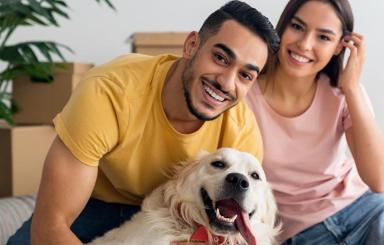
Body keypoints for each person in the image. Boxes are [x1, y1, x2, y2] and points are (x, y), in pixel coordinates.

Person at [6, 1, 279, 245]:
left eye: (245, 75)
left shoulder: (242, 131)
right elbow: (50, 226)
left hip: (178, 214)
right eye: (220, 58)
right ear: (192, 45)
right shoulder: (109, 91)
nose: (226, 82)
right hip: (93, 205)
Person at [245, 0, 384, 244]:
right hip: (300, 234)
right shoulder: (245, 95)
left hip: (366, 211)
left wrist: (352, 87)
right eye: (298, 27)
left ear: (338, 47)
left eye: (323, 37)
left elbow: (381, 180)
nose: (304, 44)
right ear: (283, 26)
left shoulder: (344, 94)